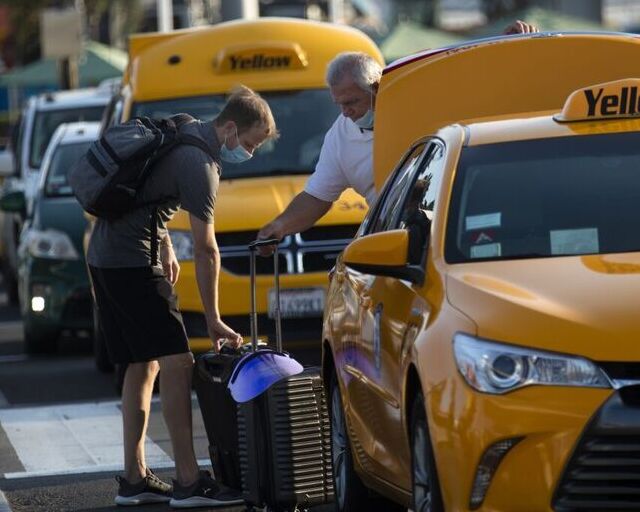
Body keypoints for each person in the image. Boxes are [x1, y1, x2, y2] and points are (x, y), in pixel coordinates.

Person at [87, 85, 276, 508]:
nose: (249, 152)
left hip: (104, 256)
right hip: (132, 263)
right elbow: (208, 249)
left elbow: (152, 195)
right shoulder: (201, 164)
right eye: (249, 143)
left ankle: (134, 479)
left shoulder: (187, 129)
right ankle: (189, 482)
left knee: (143, 363)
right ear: (229, 128)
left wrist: (166, 244)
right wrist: (213, 318)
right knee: (179, 362)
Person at [256, 21, 537, 247]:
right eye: (339, 104)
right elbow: (317, 197)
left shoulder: (424, 105)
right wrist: (279, 227)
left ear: (377, 88)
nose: (345, 113)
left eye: (352, 102)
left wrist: (508, 48)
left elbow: (480, 90)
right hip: (395, 241)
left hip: (460, 231)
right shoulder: (340, 136)